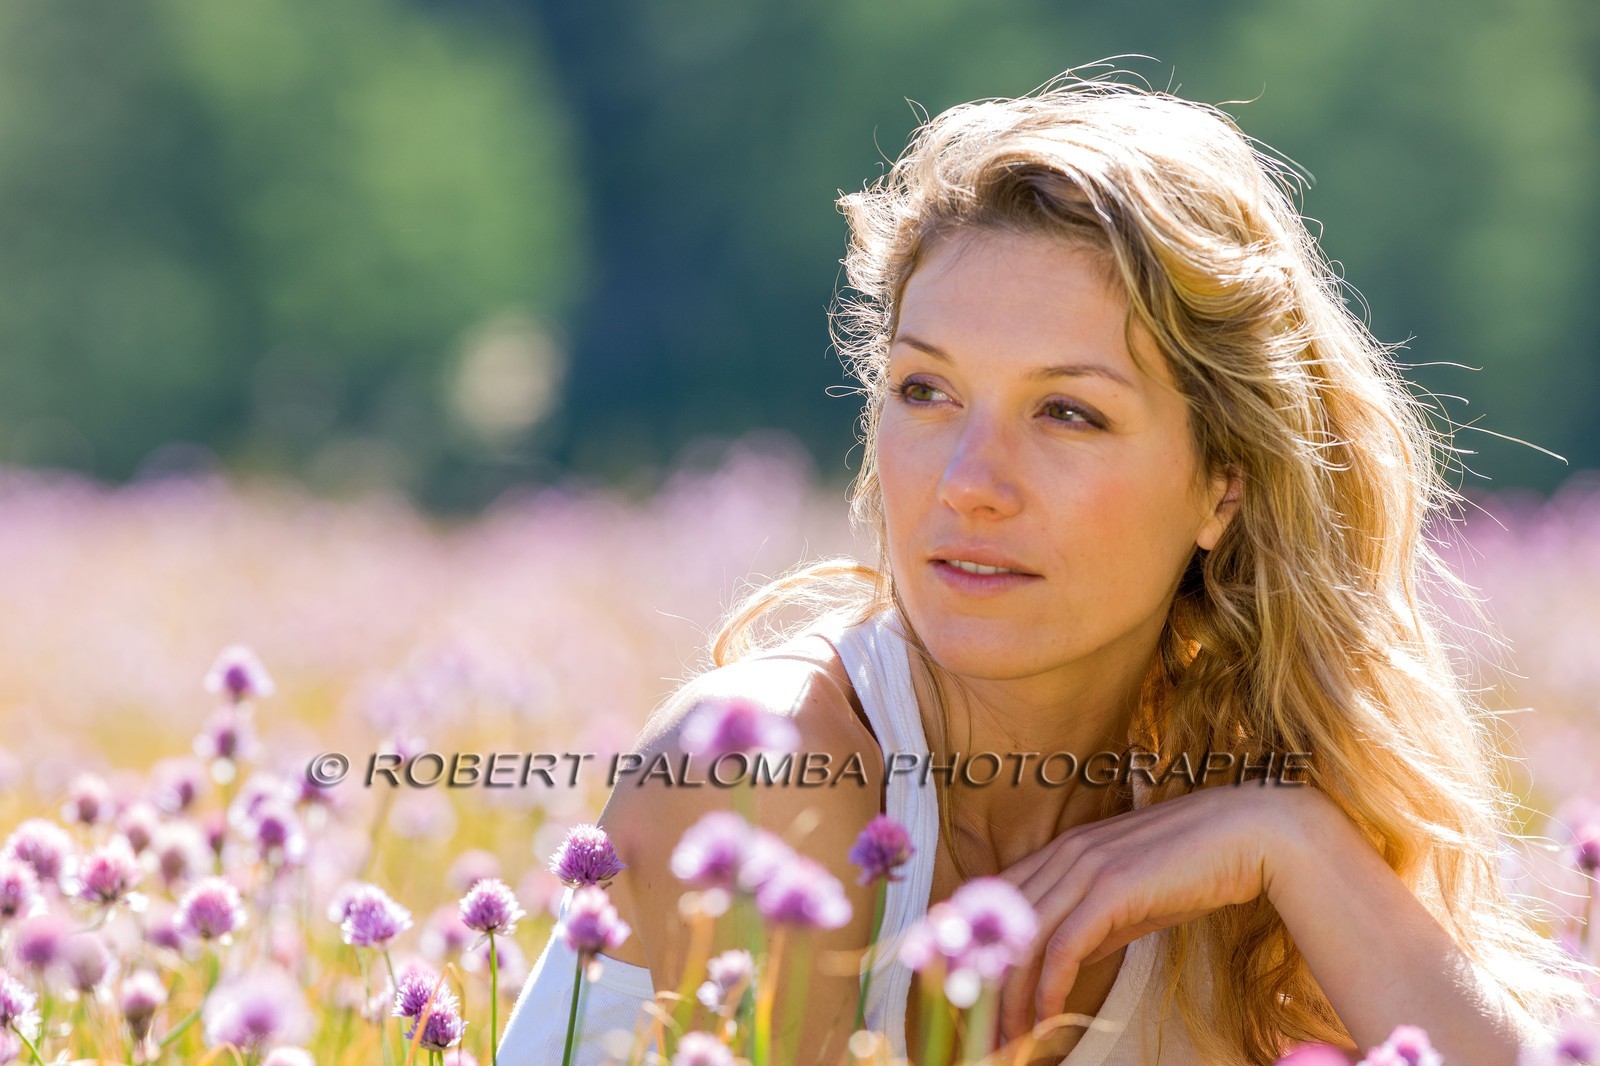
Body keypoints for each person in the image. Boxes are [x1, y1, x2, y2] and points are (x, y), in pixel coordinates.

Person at [497, 66, 1591, 1065]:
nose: (970, 480)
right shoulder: (766, 770)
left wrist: (1294, 843)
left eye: (1066, 412)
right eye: (926, 391)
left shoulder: (1229, 813)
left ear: (1225, 483)